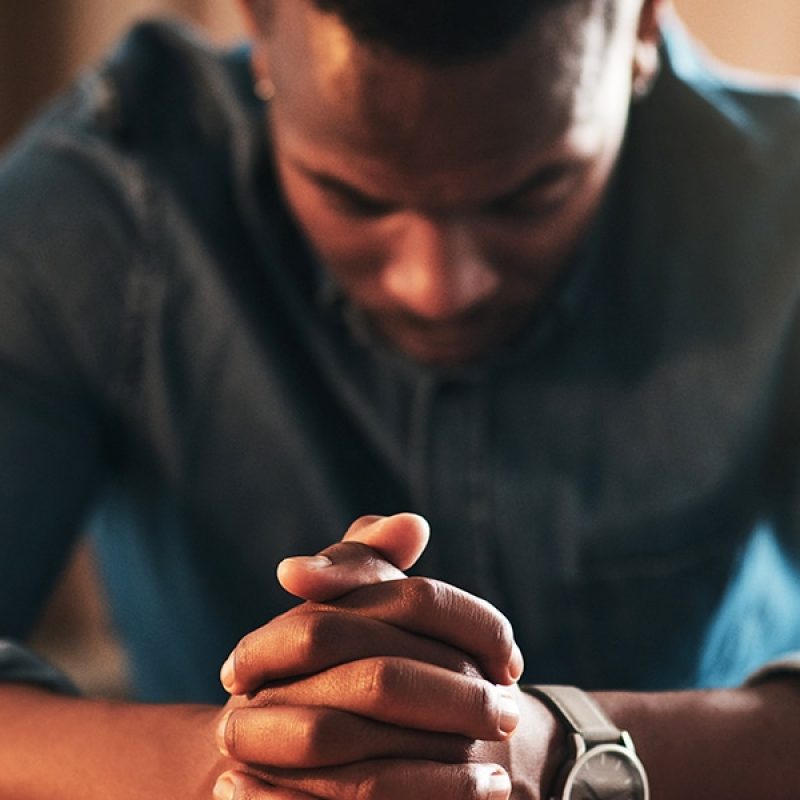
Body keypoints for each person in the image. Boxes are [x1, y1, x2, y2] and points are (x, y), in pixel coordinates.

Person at [2, 0, 800, 796]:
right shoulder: (105, 203)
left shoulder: (783, 199)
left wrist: (554, 753)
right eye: (356, 199)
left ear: (643, 24)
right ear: (259, 23)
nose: (439, 289)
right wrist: (249, 766)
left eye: (531, 196)